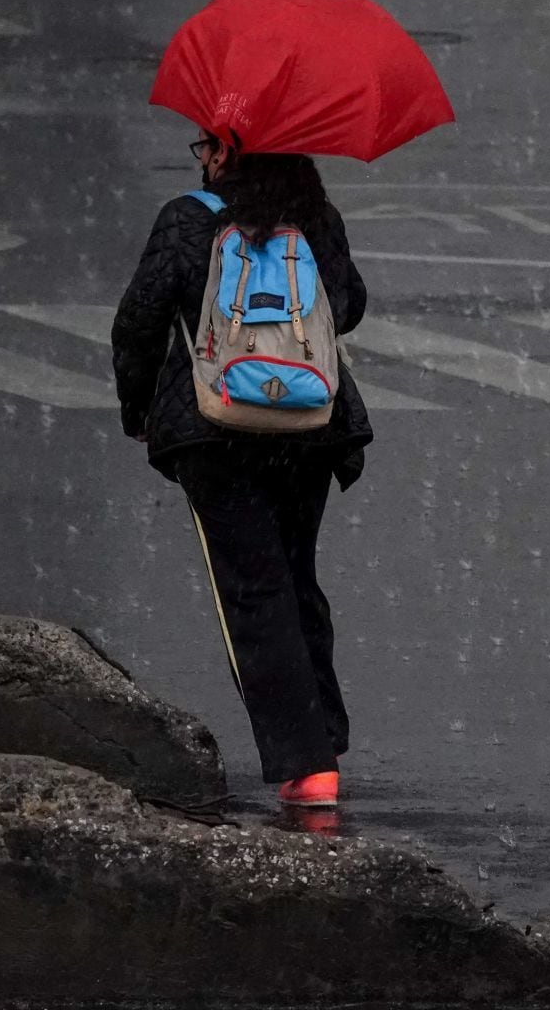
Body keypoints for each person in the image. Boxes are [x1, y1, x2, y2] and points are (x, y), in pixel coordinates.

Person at [112, 129, 373, 808]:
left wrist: (138, 408)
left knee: (252, 593)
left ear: (226, 151)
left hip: (215, 427)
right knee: (292, 573)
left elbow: (139, 320)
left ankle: (305, 765)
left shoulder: (186, 219)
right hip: (308, 426)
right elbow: (346, 307)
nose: (197, 150)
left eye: (204, 140)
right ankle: (323, 735)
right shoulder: (315, 218)